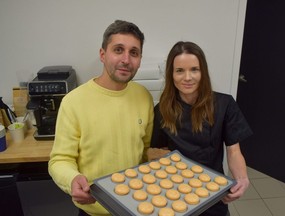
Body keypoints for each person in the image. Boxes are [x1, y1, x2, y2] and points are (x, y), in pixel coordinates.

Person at [48, 20, 154, 216]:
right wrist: (72, 178)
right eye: (118, 50)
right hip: (95, 209)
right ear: (103, 54)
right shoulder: (74, 102)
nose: (126, 59)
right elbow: (60, 159)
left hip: (136, 206)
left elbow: (144, 151)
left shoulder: (144, 96)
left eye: (134, 52)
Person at [148, 41, 253, 216]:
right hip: (174, 193)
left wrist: (242, 179)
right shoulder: (162, 110)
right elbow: (159, 151)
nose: (187, 77)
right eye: (180, 70)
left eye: (194, 69)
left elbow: (234, 151)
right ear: (171, 74)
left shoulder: (224, 105)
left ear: (202, 72)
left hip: (213, 192)